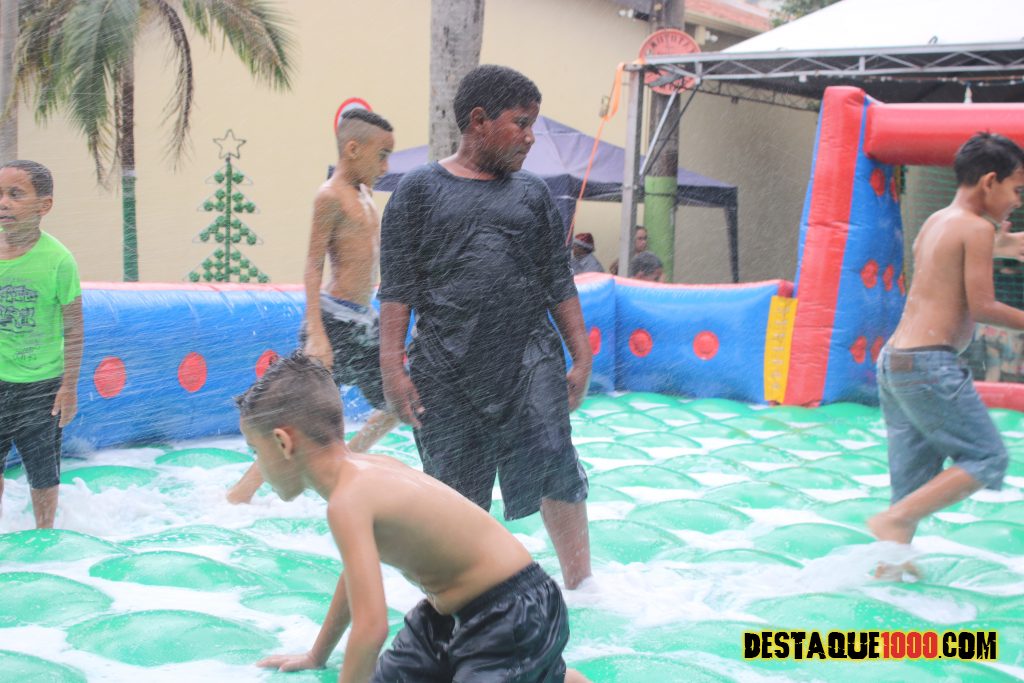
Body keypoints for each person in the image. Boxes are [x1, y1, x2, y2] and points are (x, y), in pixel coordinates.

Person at [241, 353, 591, 683]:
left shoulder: (347, 501)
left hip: (511, 612)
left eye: (256, 451)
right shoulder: (366, 474)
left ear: (283, 442)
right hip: (450, 618)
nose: (257, 466)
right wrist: (317, 654)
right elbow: (354, 578)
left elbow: (371, 627)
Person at [378, 64, 593, 590]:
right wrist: (392, 366)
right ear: (479, 121)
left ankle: (583, 585)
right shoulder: (418, 191)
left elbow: (558, 280)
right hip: (446, 366)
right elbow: (398, 287)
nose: (530, 136)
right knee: (454, 492)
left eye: (532, 124)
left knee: (555, 460)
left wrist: (581, 355)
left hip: (528, 358)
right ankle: (461, 597)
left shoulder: (533, 195)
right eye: (521, 123)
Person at [868, 133, 1024, 578]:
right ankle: (894, 522)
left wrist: (1000, 245)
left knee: (910, 488)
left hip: (895, 363)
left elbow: (944, 264)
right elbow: (983, 307)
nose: (1017, 202)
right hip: (927, 365)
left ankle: (889, 572)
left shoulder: (939, 220)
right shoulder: (976, 228)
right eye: (1016, 190)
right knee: (987, 458)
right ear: (989, 181)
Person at [227, 109, 400, 504]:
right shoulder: (330, 196)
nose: (386, 167)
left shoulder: (365, 195)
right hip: (332, 320)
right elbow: (312, 264)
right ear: (353, 149)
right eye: (382, 155)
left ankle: (348, 460)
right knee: (297, 413)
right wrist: (317, 332)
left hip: (362, 320)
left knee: (397, 402)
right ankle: (241, 494)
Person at [0, 160, 83, 529]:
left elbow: (74, 327)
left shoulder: (58, 260)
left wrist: (69, 386)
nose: (4, 203)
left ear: (43, 205)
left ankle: (44, 530)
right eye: (0, 194)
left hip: (41, 386)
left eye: (15, 194)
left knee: (43, 469)